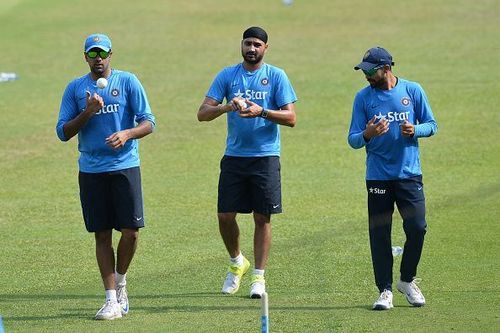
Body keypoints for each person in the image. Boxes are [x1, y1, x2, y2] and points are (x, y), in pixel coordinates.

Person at [56, 33, 155, 320]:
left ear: (111, 54)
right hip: (92, 171)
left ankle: (121, 282)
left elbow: (149, 122)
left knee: (131, 232)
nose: (97, 59)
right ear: (85, 57)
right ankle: (111, 299)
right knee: (102, 234)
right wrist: (88, 112)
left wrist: (127, 133)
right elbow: (63, 132)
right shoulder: (75, 89)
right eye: (92, 54)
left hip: (125, 167)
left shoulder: (128, 82)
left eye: (102, 53)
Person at [197, 26, 297, 298]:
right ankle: (237, 261)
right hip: (234, 158)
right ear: (241, 46)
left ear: (266, 48)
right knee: (225, 216)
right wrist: (226, 106)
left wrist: (261, 111)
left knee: (262, 217)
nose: (251, 48)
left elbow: (291, 118)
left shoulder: (276, 76)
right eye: (247, 44)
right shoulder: (227, 76)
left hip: (265, 157)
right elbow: (202, 113)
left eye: (257, 44)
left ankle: (259, 278)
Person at [347, 47, 437, 310]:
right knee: (379, 234)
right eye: (364, 70)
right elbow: (353, 140)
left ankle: (407, 281)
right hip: (377, 178)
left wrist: (416, 130)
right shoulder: (362, 98)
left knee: (417, 228)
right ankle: (384, 290)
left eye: (370, 70)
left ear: (386, 68)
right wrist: (368, 133)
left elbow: (432, 124)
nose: (366, 75)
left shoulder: (412, 91)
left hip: (409, 175)